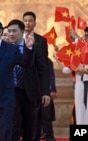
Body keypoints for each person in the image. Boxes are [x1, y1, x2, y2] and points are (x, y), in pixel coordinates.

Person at [7, 19, 50, 141]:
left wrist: (45, 92)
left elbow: (43, 70)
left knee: (30, 126)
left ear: (22, 31)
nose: (11, 34)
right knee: (13, 126)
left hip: (29, 92)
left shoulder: (34, 47)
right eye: (9, 31)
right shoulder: (5, 48)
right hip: (11, 92)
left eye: (14, 31)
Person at [22, 11, 50, 141]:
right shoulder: (16, 38)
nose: (27, 23)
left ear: (35, 23)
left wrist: (46, 91)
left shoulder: (41, 41)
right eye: (25, 20)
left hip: (34, 87)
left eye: (30, 20)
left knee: (34, 119)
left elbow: (43, 67)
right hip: (17, 85)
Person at [70, 25, 88, 124]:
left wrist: (85, 69)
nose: (85, 38)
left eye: (87, 36)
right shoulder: (84, 50)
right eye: (84, 35)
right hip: (85, 82)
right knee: (84, 110)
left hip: (86, 81)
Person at [41, 58, 57, 141]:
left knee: (46, 114)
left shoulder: (47, 60)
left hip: (45, 90)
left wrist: (52, 89)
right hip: (32, 90)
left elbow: (51, 74)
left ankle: (49, 136)